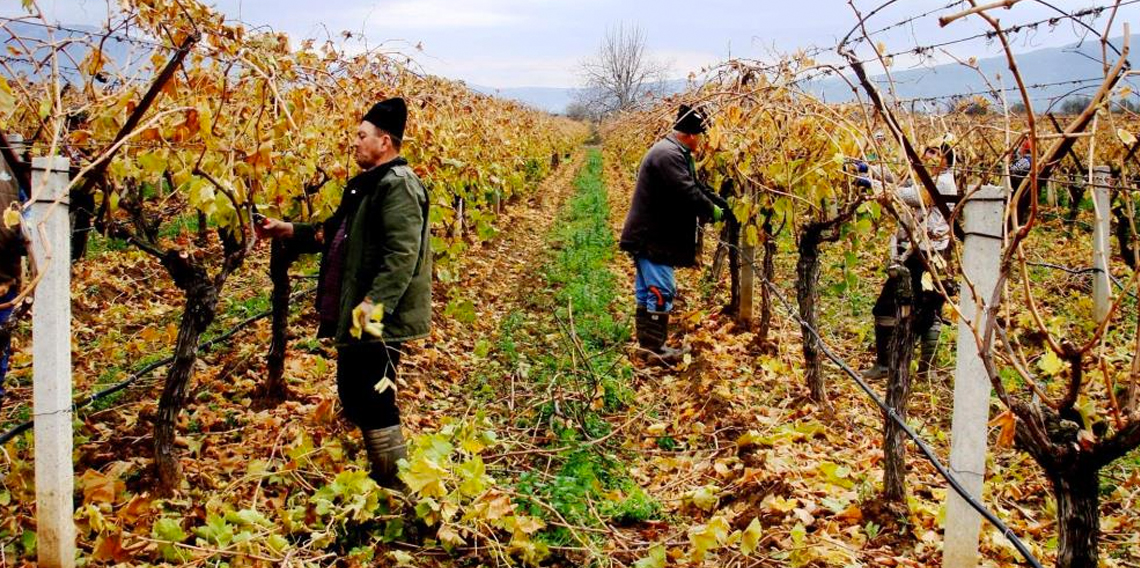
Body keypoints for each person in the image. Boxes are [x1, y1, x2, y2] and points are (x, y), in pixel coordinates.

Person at [256, 98, 431, 488]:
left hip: (374, 313)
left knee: (371, 392)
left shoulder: (398, 187)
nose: (354, 142)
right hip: (360, 309)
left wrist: (373, 307)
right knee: (354, 391)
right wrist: (283, 229)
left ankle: (394, 482)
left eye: (361, 136)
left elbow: (402, 256)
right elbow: (331, 233)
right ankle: (384, 471)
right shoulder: (369, 186)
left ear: (384, 142)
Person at [619, 104, 727, 362]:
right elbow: (686, 191)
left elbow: (695, 185)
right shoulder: (668, 155)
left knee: (648, 291)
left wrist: (717, 201)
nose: (702, 141)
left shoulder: (671, 151)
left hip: (651, 234)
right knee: (661, 290)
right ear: (690, 135)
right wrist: (713, 212)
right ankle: (655, 349)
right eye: (700, 135)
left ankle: (648, 347)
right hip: (653, 237)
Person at [861, 142, 958, 380]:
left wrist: (871, 184)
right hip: (925, 251)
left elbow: (909, 194)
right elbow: (901, 179)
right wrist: (870, 168)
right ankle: (923, 368)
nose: (929, 155)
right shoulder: (926, 175)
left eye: (936, 153)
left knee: (892, 307)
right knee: (928, 307)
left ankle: (889, 364)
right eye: (929, 150)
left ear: (947, 160)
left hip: (925, 254)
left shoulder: (942, 183)